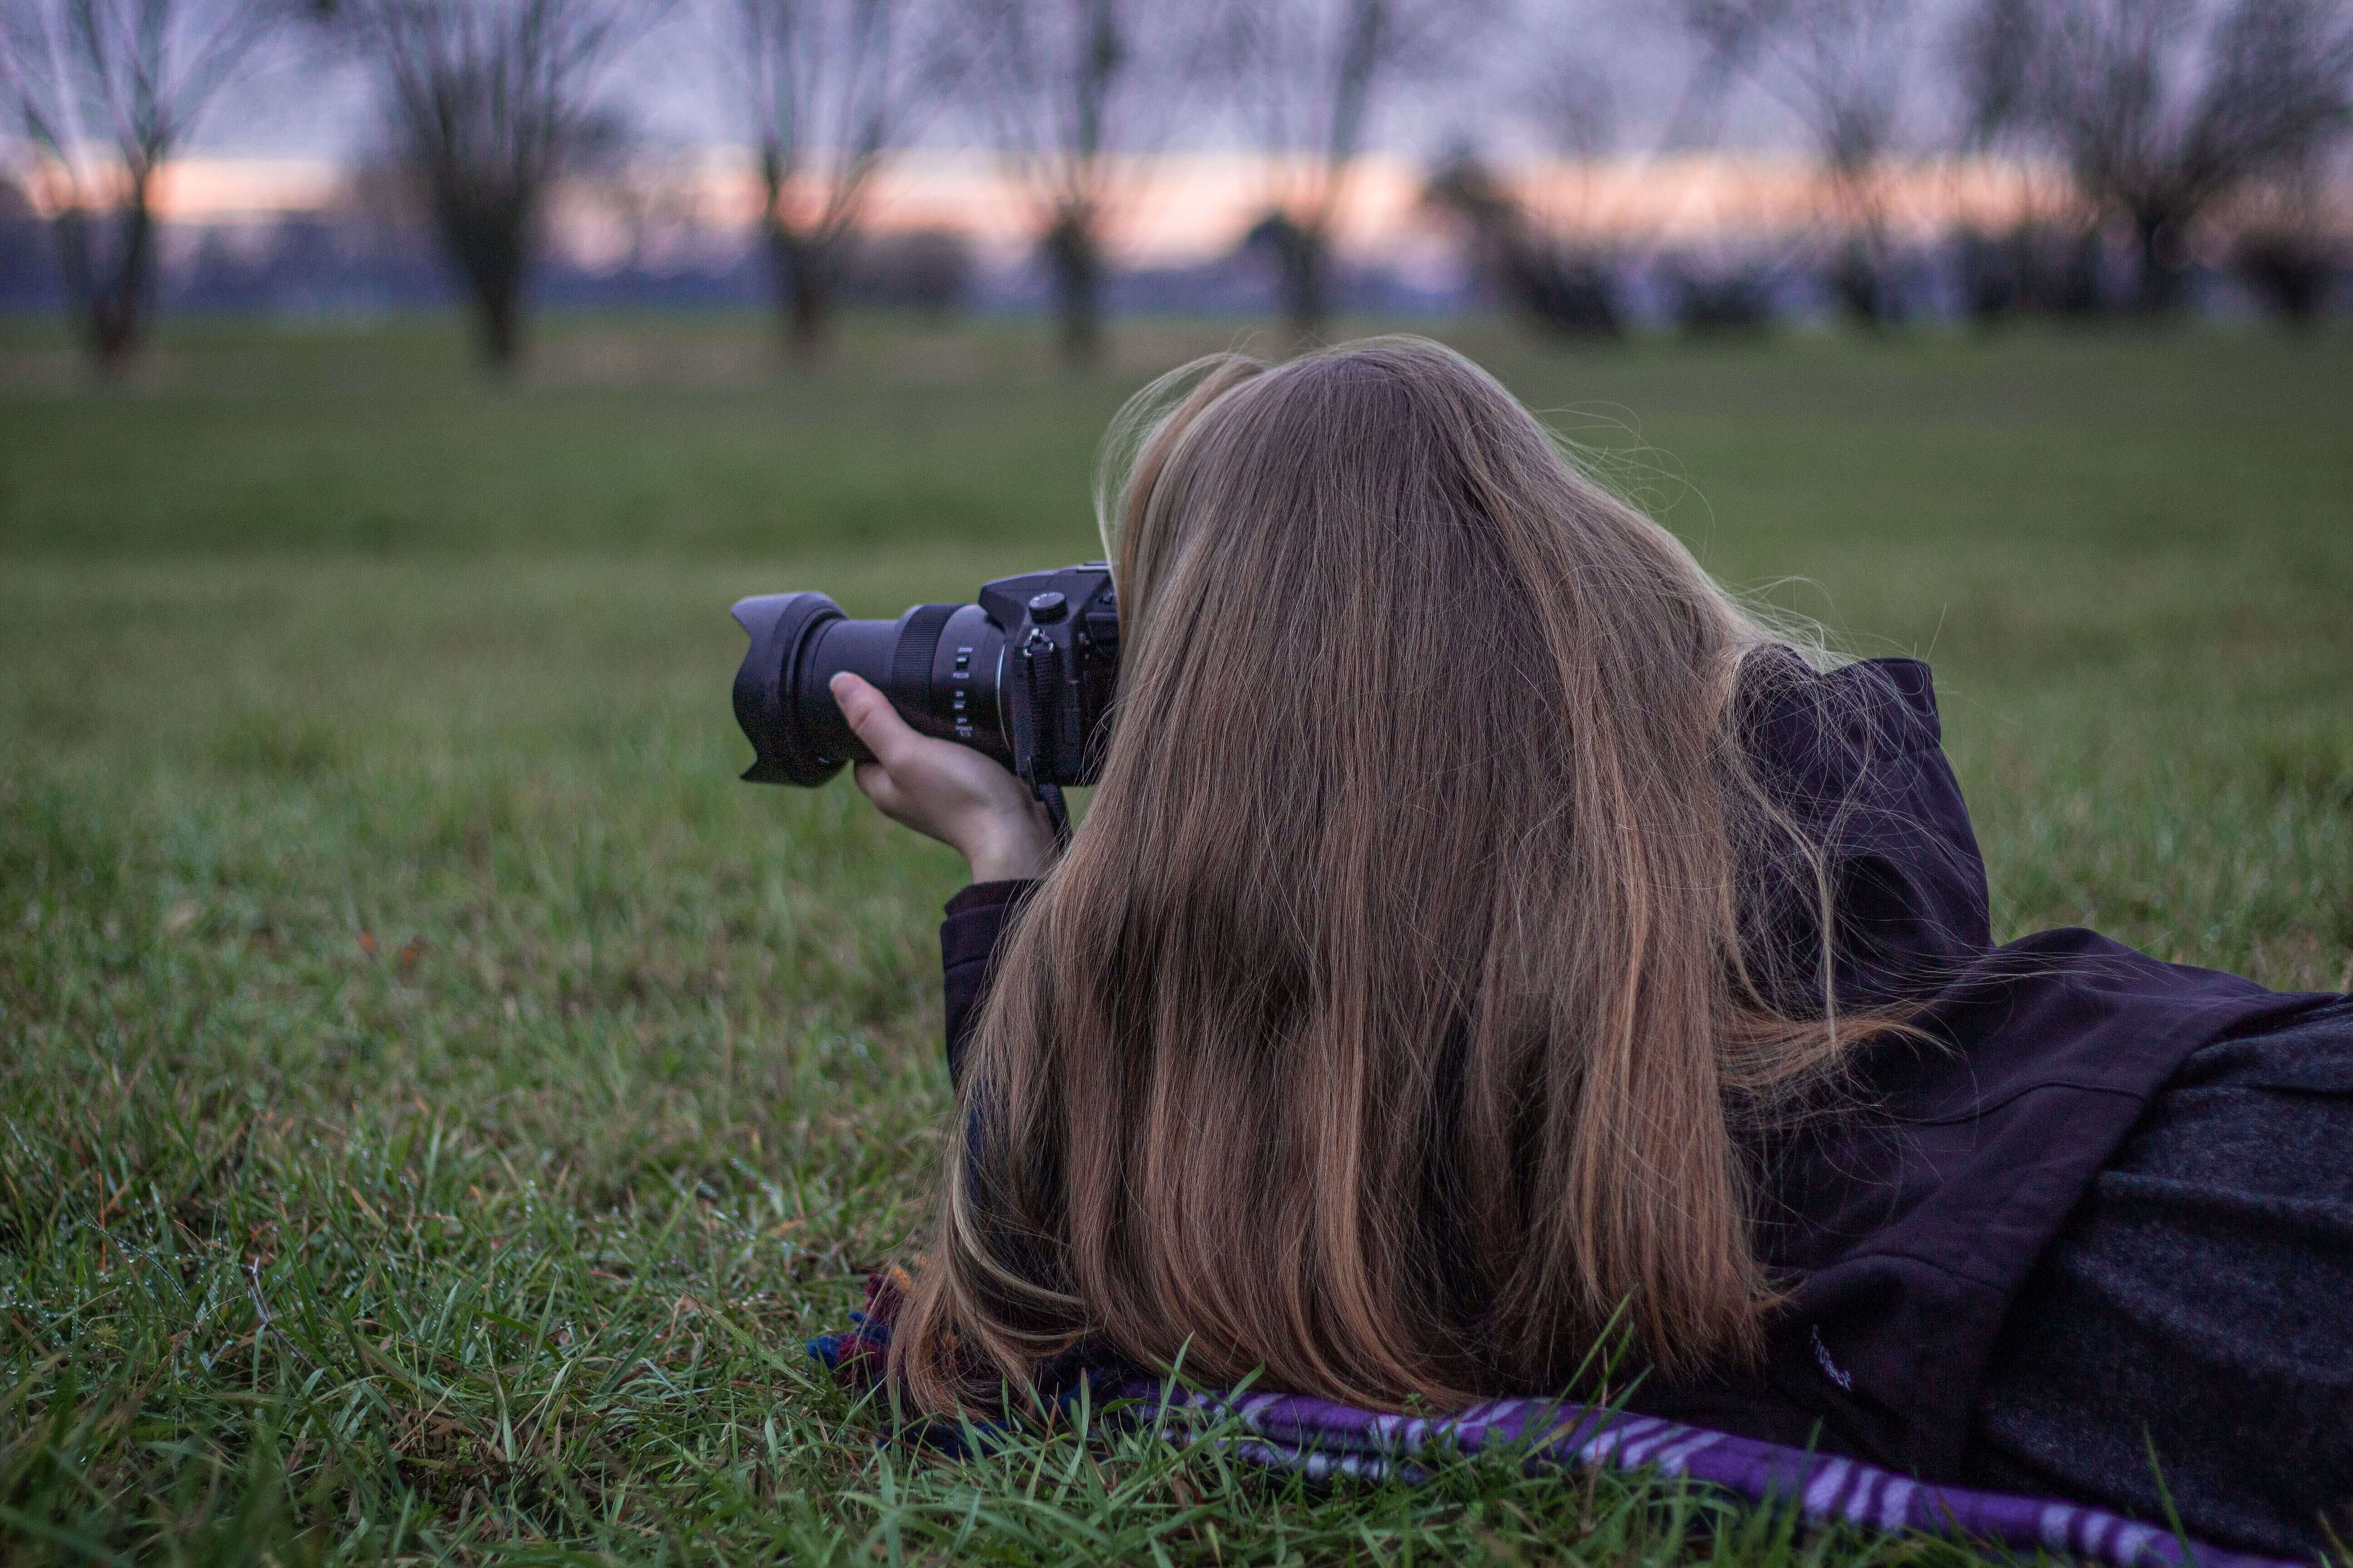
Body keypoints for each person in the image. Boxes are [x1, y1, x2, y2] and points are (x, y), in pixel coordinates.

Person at [819, 336, 2351, 1557]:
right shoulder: (1784, 922)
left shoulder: (1397, 1174)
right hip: (2239, 1118)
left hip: (2218, 1301)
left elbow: (1047, 1289)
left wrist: (1015, 869)